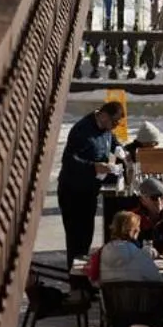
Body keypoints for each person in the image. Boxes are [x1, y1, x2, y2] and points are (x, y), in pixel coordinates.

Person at [56, 100, 125, 265]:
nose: (115, 126)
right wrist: (94, 167)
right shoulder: (82, 130)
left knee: (86, 236)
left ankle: (83, 276)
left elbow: (112, 142)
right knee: (76, 239)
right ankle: (76, 281)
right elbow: (69, 161)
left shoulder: (106, 130)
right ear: (103, 115)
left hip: (90, 191)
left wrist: (120, 150)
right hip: (72, 191)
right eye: (114, 122)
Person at [99, 208, 163, 284]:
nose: (139, 230)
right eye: (138, 227)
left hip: (110, 295)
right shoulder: (139, 255)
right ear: (134, 231)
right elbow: (158, 280)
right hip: (139, 295)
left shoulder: (102, 254)